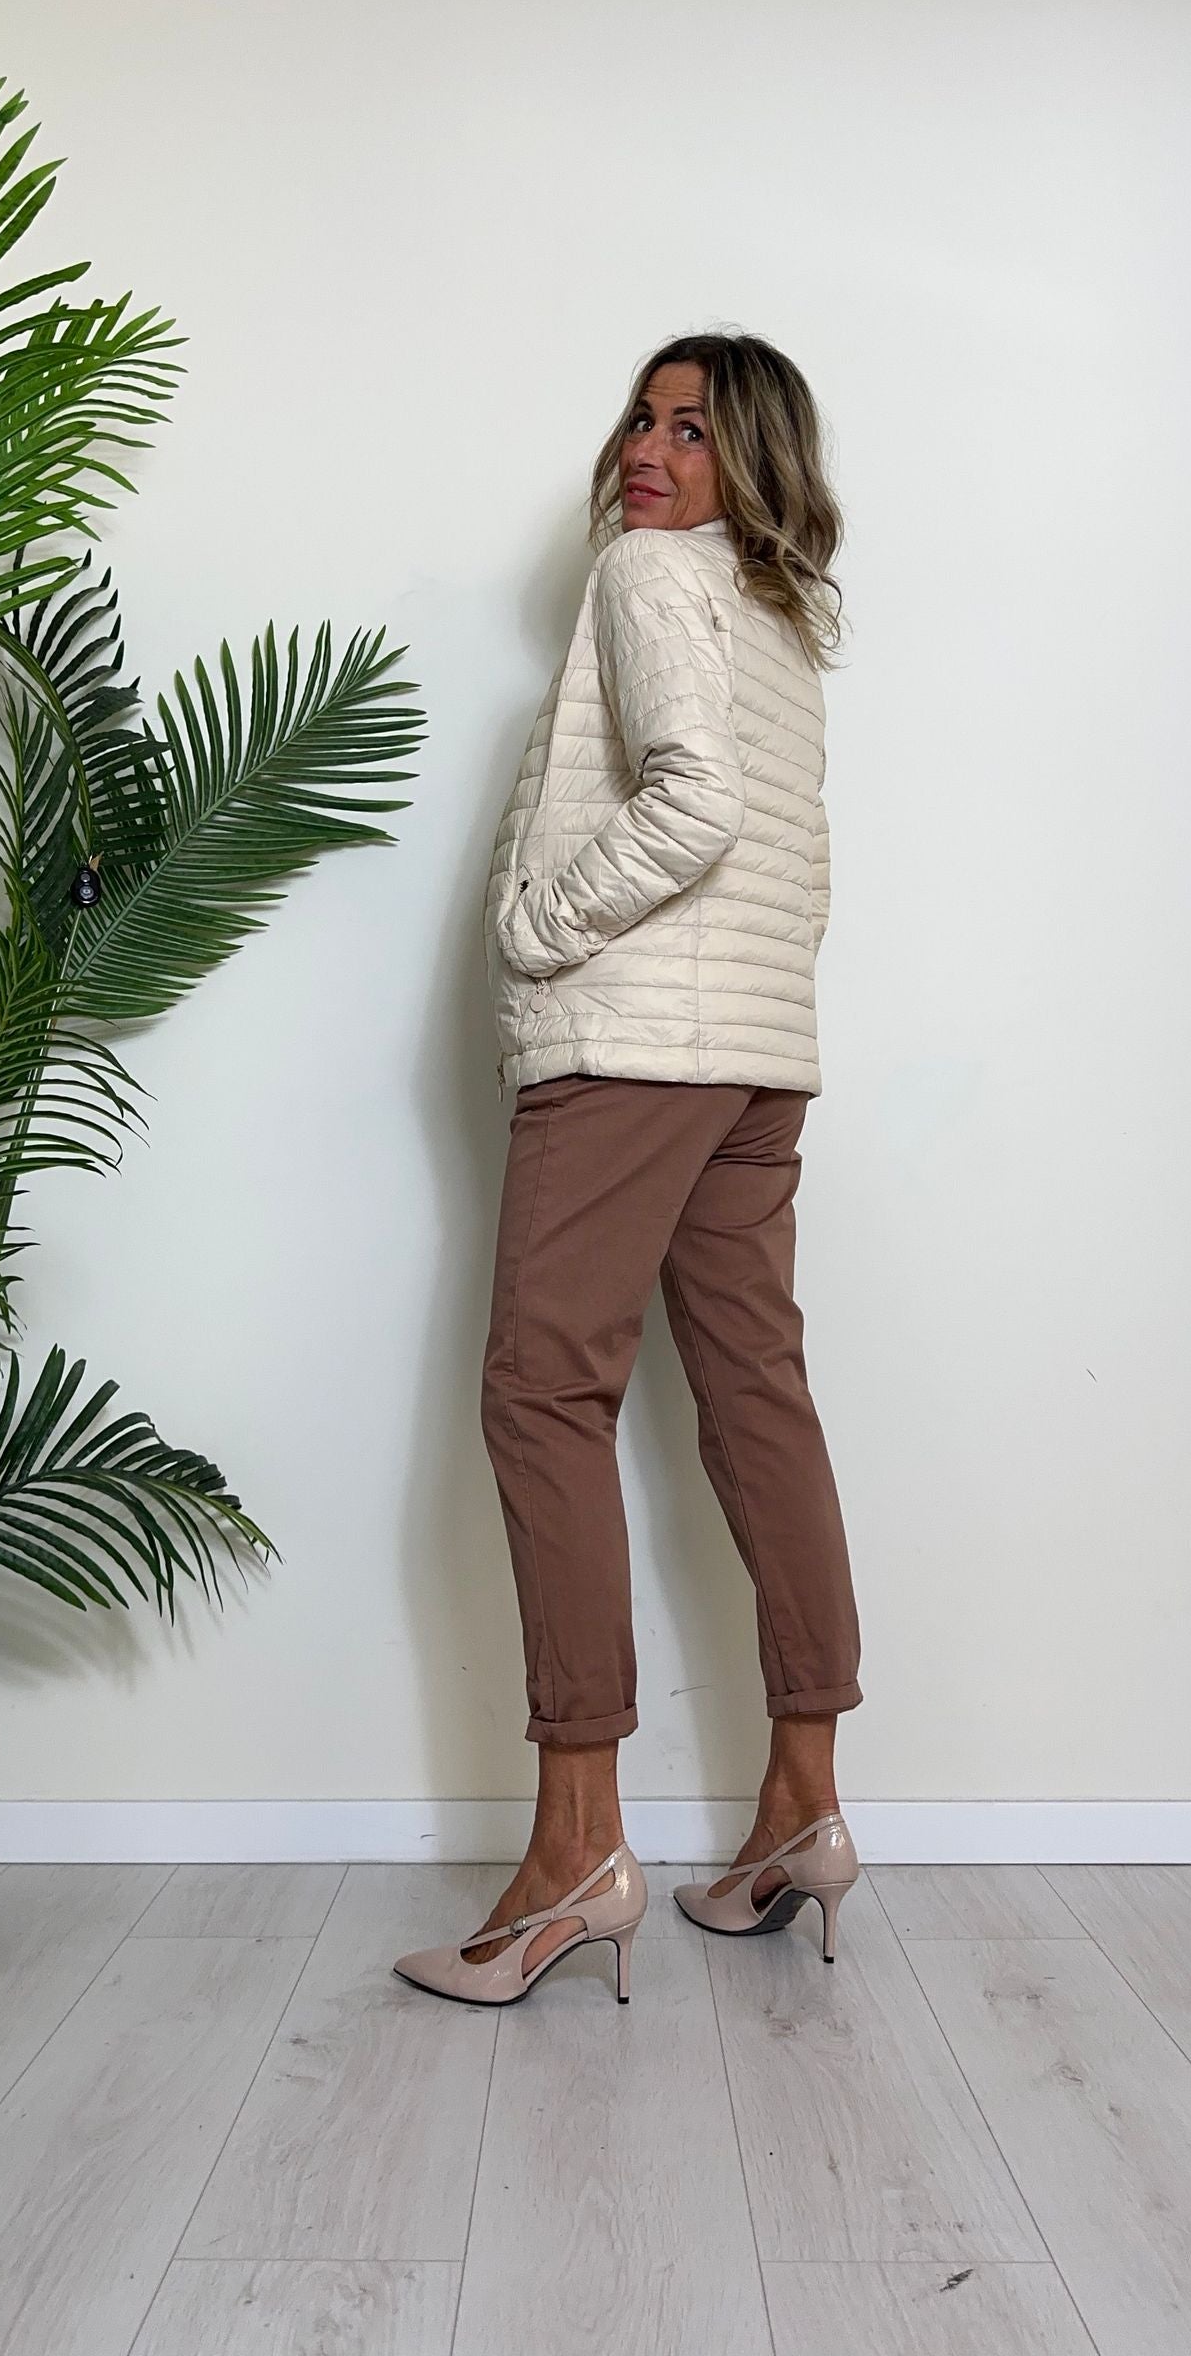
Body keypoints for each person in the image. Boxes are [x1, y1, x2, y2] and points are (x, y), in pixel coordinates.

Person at [394, 332, 863, 2008]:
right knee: (756, 1399)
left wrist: (538, 924)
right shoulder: (777, 616)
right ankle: (803, 1805)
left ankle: (576, 1847)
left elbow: (694, 808)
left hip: (634, 1048)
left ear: (753, 458)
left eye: (693, 429)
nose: (650, 450)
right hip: (754, 1059)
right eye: (642, 418)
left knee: (543, 1394)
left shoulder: (650, 577)